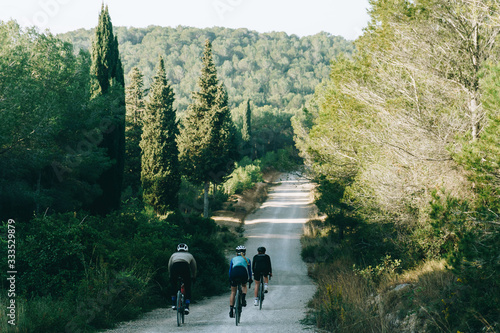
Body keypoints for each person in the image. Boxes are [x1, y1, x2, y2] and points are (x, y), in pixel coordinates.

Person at [168, 243, 197, 315]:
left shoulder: (173, 255)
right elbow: (194, 267)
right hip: (185, 267)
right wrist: (193, 276)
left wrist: (170, 276)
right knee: (187, 286)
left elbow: (169, 266)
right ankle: (187, 306)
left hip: (175, 267)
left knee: (173, 284)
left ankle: (173, 303)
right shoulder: (190, 255)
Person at [228, 245, 253, 318]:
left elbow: (230, 270)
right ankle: (243, 298)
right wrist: (250, 278)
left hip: (234, 272)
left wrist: (230, 278)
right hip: (243, 272)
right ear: (244, 253)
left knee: (233, 292)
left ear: (236, 253)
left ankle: (231, 309)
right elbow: (249, 271)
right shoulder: (247, 259)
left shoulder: (233, 259)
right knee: (244, 285)